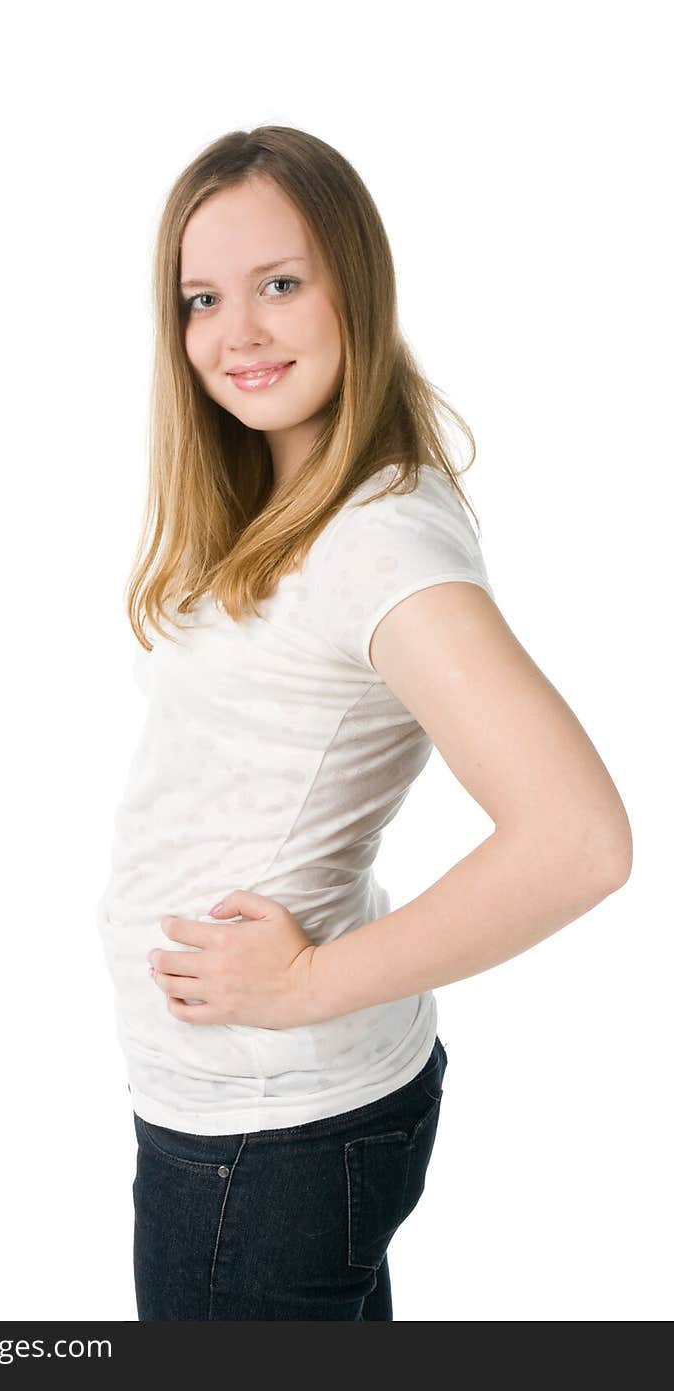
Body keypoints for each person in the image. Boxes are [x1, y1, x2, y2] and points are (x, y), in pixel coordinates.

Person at [95, 125, 632, 1321]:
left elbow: (578, 840)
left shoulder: (374, 542)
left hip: (266, 1133)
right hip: (261, 1116)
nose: (235, 333)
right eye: (201, 298)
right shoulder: (304, 491)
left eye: (279, 284)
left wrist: (301, 984)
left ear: (356, 284)